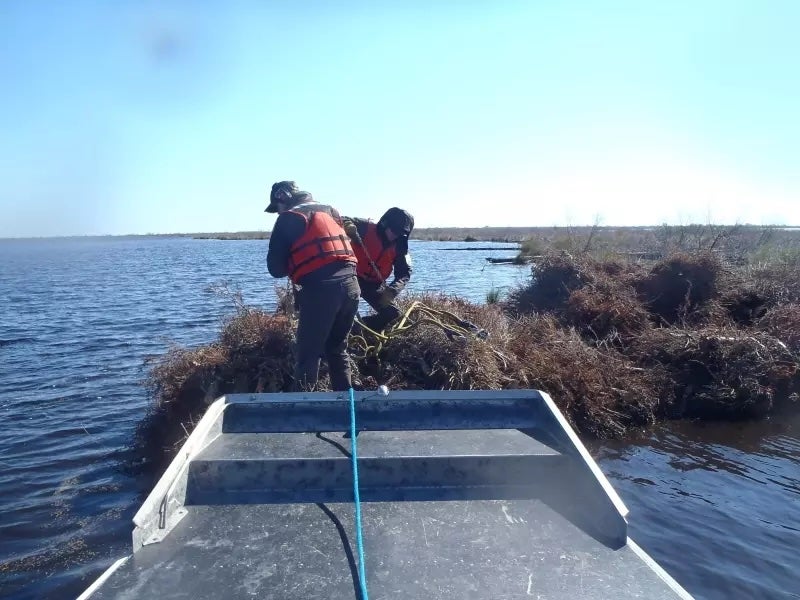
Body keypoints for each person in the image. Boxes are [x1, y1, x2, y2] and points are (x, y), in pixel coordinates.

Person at [265, 181, 360, 392]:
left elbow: (276, 269)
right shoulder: (331, 211)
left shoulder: (288, 218)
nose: (277, 213)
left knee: (308, 355)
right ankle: (345, 405)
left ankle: (303, 413)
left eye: (276, 207)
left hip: (322, 292)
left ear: (283, 198)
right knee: (337, 349)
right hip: (352, 287)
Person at [342, 207, 415, 333]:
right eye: (393, 230)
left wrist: (392, 291)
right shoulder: (366, 227)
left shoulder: (400, 246)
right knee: (343, 310)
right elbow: (341, 219)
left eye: (399, 233)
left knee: (392, 314)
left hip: (374, 285)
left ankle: (358, 331)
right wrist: (347, 226)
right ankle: (339, 332)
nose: (394, 235)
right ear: (385, 224)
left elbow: (404, 273)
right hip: (351, 278)